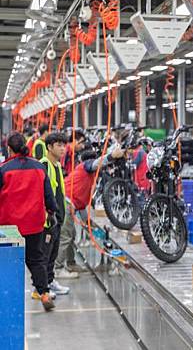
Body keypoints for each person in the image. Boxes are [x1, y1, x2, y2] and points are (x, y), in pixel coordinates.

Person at [0, 132, 58, 311]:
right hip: (34, 223)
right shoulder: (39, 167)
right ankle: (44, 293)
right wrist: (51, 211)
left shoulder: (4, 169)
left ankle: (8, 297)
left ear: (9, 149)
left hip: (9, 226)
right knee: (36, 259)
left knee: (9, 260)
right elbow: (49, 195)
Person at [56, 146, 125, 275]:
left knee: (70, 236)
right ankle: (57, 270)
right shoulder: (86, 166)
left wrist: (88, 224)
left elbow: (82, 206)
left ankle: (71, 263)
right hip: (66, 202)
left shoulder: (86, 176)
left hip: (69, 203)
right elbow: (96, 163)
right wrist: (111, 156)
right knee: (65, 237)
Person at [38, 132, 75, 298]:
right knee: (44, 255)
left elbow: (59, 191)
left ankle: (50, 282)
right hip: (48, 220)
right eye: (58, 145)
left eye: (63, 145)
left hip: (57, 219)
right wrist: (48, 215)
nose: (62, 148)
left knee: (52, 253)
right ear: (49, 147)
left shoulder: (58, 166)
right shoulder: (44, 165)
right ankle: (41, 288)